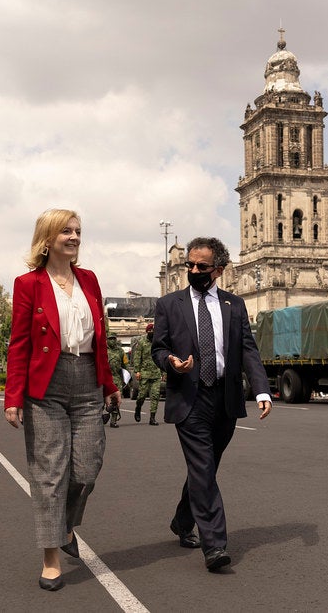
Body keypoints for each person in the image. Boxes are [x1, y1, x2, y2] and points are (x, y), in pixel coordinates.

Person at [3, 208, 121, 592]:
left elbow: (100, 339)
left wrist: (108, 383)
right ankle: (51, 557)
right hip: (45, 387)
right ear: (48, 238)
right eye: (66, 231)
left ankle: (65, 525)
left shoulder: (89, 279)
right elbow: (19, 343)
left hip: (87, 380)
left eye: (78, 231)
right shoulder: (28, 284)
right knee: (49, 473)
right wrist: (13, 397)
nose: (74, 237)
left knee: (87, 467)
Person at [151, 236, 272, 572]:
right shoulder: (169, 305)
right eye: (190, 264)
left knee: (206, 467)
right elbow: (158, 349)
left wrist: (261, 390)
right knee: (203, 469)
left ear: (218, 270)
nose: (193, 270)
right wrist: (172, 362)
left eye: (201, 266)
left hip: (225, 397)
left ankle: (181, 520)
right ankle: (215, 546)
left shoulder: (234, 304)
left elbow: (248, 349)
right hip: (189, 398)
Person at [132, 322, 163, 425]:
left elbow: (162, 357)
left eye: (153, 331)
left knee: (155, 396)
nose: (152, 332)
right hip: (144, 373)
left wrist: (164, 372)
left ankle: (152, 418)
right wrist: (137, 371)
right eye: (150, 331)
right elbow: (137, 357)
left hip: (156, 373)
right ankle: (138, 408)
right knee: (142, 395)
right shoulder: (141, 342)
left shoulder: (158, 342)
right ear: (147, 332)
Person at [106, 334, 126, 428]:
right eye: (110, 339)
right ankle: (99, 419)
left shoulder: (120, 351)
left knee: (115, 401)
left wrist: (127, 378)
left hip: (117, 378)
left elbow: (125, 365)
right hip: (105, 378)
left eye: (114, 339)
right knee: (101, 401)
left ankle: (113, 421)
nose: (112, 341)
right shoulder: (103, 349)